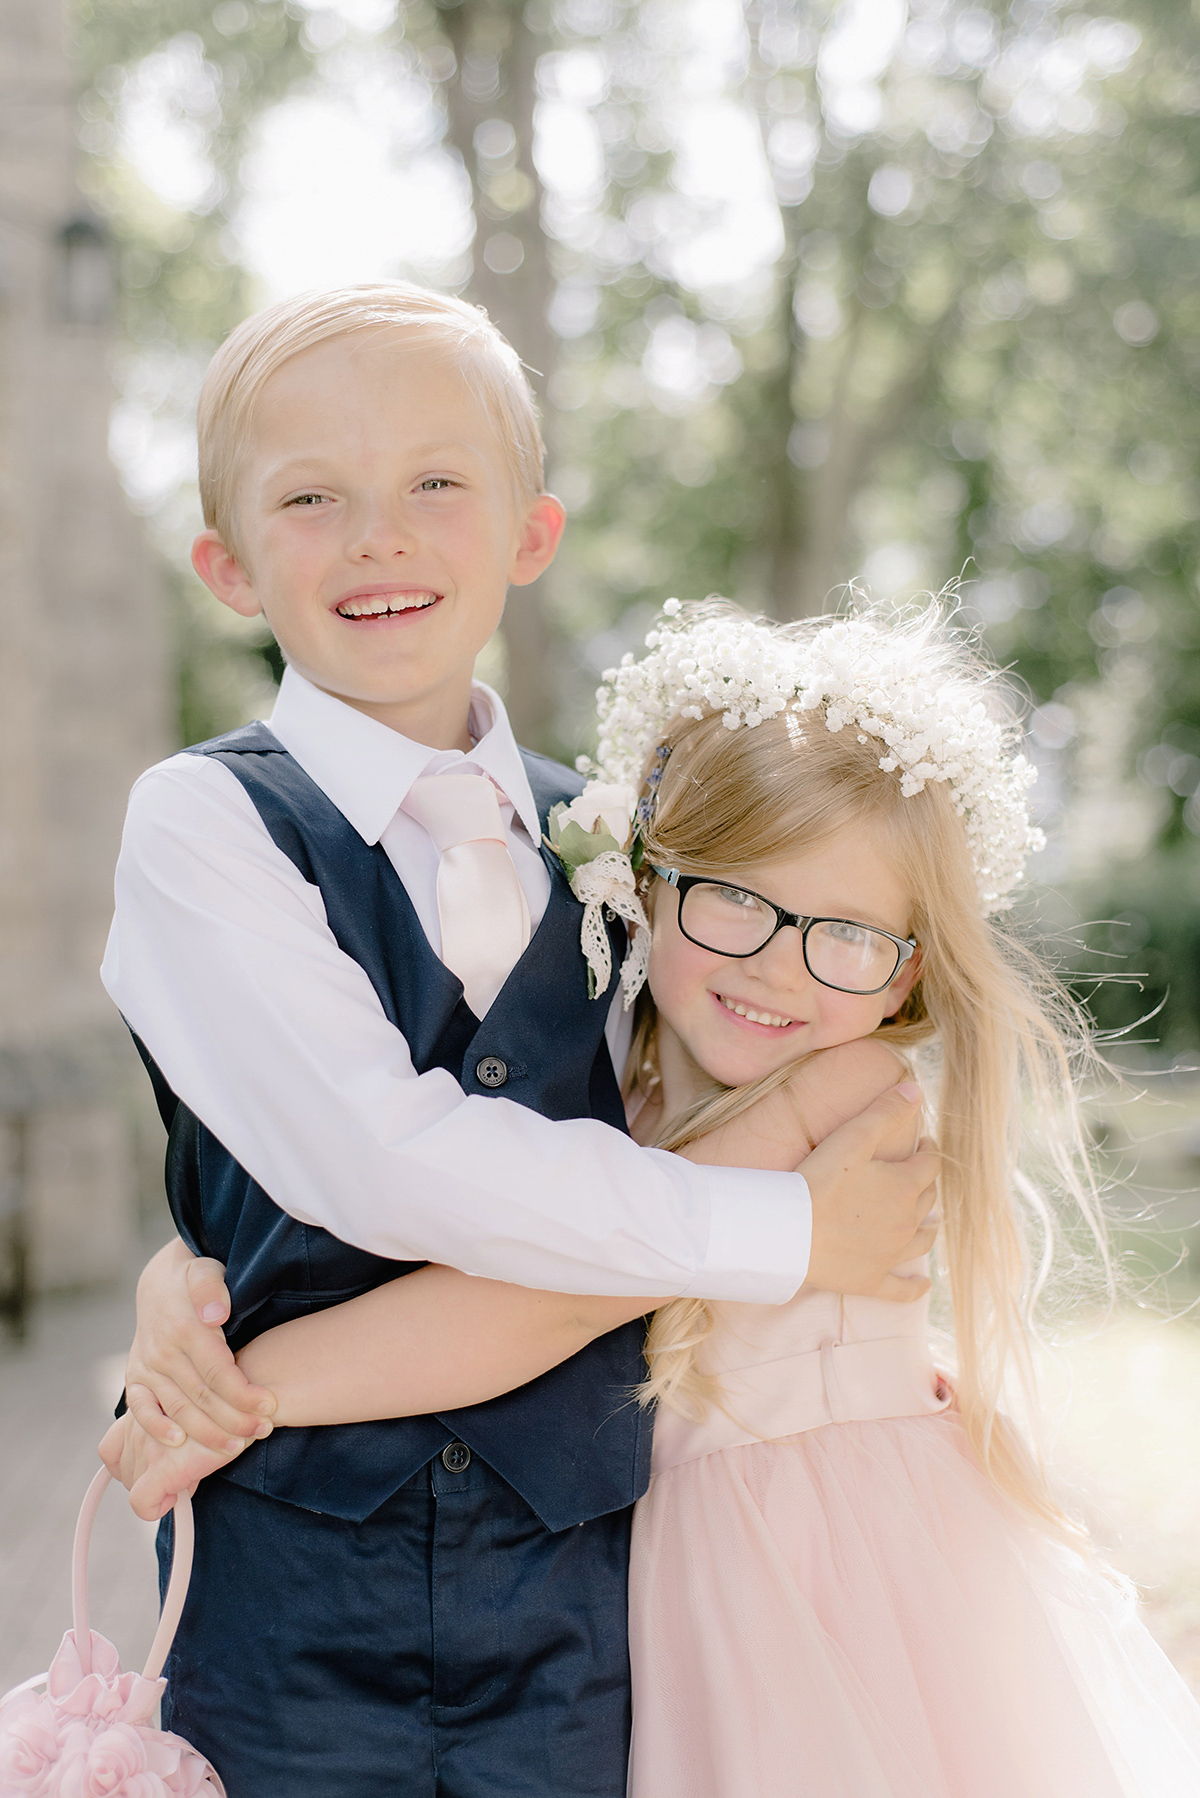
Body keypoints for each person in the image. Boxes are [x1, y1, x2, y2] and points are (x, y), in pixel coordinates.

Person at [115, 601, 1200, 1797]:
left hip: (821, 1588)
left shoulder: (845, 1101)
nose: (777, 965)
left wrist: (228, 1396)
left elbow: (540, 1307)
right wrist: (182, 1279)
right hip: (660, 1588)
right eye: (734, 898)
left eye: (845, 934)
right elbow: (450, 1210)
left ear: (908, 972)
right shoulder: (614, 1081)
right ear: (644, 879)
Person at [97, 289, 938, 1798]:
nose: (380, 535)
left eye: (436, 481)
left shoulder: (619, 843)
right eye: (310, 497)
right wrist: (786, 1233)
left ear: (530, 534)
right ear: (225, 566)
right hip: (289, 1592)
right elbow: (374, 1161)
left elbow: (693, 1101)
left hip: (580, 1595)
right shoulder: (208, 823)